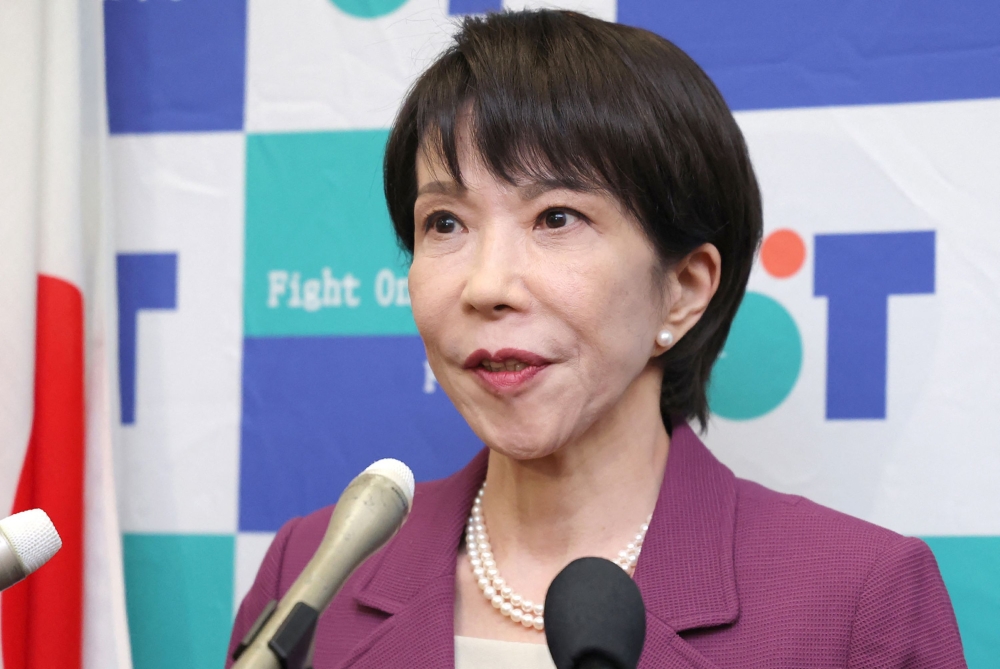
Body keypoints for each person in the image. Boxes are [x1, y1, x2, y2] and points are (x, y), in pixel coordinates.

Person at [227, 10, 966, 668]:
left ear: (684, 287)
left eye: (555, 217)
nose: (487, 285)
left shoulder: (854, 599)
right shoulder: (318, 569)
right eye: (444, 222)